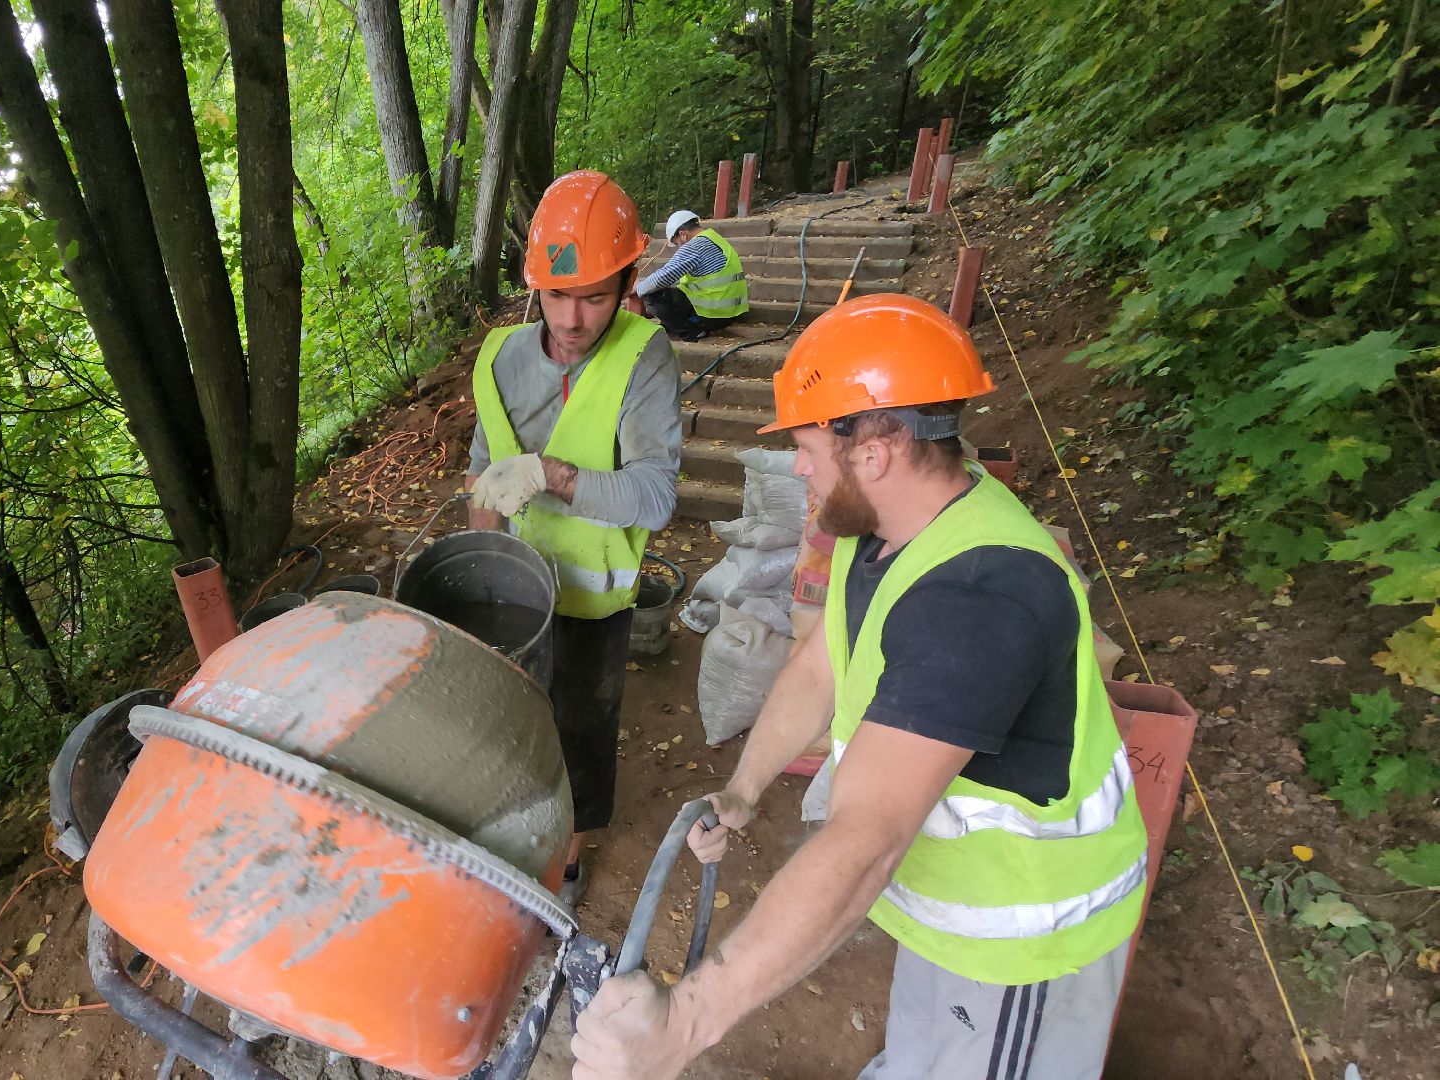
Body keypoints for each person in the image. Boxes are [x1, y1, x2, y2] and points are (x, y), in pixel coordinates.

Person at [570, 293, 1150, 1080]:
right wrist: (744, 788)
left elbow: (866, 839)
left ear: (875, 448)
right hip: (952, 913)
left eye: (806, 445)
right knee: (923, 1048)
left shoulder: (981, 599)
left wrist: (685, 1025)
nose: (797, 466)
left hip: (1022, 944)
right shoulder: (884, 526)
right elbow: (821, 665)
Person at [466, 170, 683, 903]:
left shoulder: (642, 358)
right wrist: (480, 577)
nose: (572, 318)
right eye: (557, 295)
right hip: (517, 589)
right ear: (535, 287)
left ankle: (569, 856)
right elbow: (480, 475)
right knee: (511, 717)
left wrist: (554, 476)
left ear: (626, 284)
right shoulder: (500, 359)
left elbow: (654, 499)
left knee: (584, 727)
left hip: (593, 600)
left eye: (594, 296)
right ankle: (511, 825)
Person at [634, 209, 750, 342]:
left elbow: (662, 278)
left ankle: (691, 333)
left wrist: (637, 288)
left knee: (651, 295)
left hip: (714, 314)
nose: (679, 247)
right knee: (670, 291)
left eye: (677, 243)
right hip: (729, 312)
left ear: (683, 235)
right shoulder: (713, 238)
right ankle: (673, 326)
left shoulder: (694, 246)